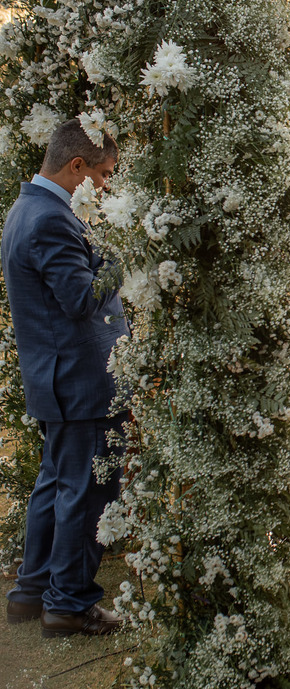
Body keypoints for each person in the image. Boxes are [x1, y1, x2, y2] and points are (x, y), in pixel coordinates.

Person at [3, 120, 126, 637]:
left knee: (55, 485)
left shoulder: (27, 207)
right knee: (86, 491)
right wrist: (120, 258)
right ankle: (69, 603)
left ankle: (33, 591)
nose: (103, 186)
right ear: (75, 166)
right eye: (101, 174)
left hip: (57, 377)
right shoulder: (52, 218)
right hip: (79, 380)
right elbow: (80, 299)